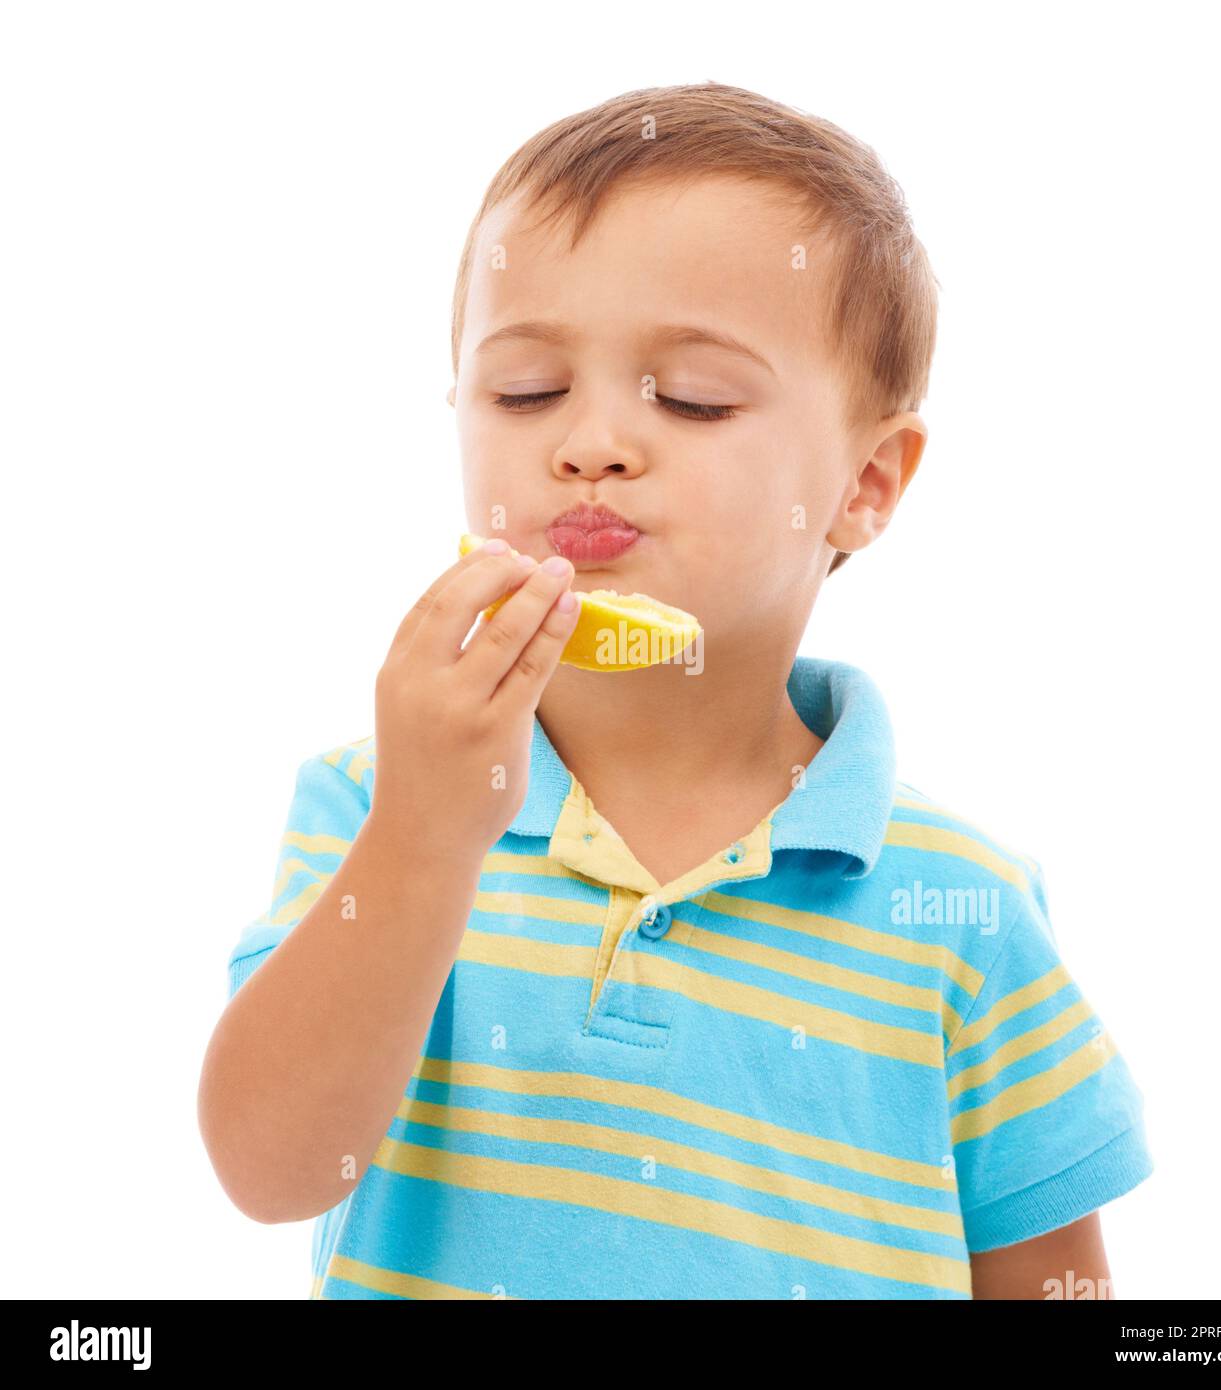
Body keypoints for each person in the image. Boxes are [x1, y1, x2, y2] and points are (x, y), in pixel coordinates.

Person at [198, 81, 1153, 1300]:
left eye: (692, 398)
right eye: (525, 389)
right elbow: (271, 1168)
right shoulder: (374, 807)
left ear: (864, 480)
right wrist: (423, 839)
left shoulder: (956, 902)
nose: (589, 441)